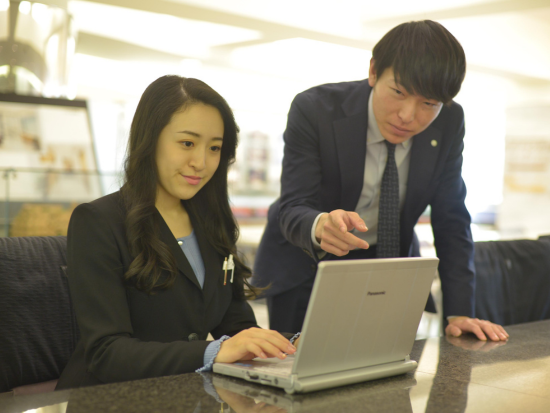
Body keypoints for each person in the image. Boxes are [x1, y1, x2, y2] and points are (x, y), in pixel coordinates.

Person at [253, 20, 508, 342]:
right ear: (374, 71)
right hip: (308, 261)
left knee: (388, 376)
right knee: (299, 375)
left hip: (388, 265)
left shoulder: (449, 122)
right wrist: (320, 225)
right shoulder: (316, 109)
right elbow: (292, 206)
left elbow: (452, 220)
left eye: (428, 103)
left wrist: (459, 311)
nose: (408, 115)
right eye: (399, 92)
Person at [56, 76, 297, 390]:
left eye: (214, 148)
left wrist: (290, 346)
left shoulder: (212, 223)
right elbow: (106, 353)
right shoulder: (98, 221)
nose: (200, 162)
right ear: (150, 138)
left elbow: (238, 325)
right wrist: (215, 351)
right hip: (107, 398)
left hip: (183, 394)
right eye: (187, 143)